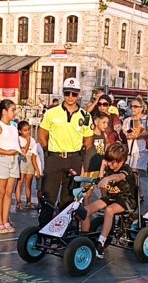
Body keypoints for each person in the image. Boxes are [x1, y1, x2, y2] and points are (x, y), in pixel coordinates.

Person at [37, 77, 94, 226]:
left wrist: (80, 153)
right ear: (63, 93)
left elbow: (88, 139)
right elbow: (42, 134)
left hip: (74, 158)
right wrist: (47, 151)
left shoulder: (85, 116)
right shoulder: (51, 113)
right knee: (48, 195)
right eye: (67, 93)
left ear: (78, 94)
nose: (70, 97)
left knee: (69, 197)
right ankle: (43, 230)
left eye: (74, 94)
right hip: (54, 158)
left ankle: (63, 228)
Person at [80, 143, 136, 259]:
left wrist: (108, 178)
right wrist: (102, 170)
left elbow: (120, 177)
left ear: (121, 161)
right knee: (85, 210)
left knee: (109, 210)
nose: (109, 164)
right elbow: (104, 194)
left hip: (126, 200)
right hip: (111, 198)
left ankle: (101, 243)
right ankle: (84, 240)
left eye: (112, 162)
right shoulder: (108, 169)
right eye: (108, 161)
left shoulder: (126, 169)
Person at [0, 99, 21, 234]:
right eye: (12, 110)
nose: (15, 113)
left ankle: (6, 220)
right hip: (1, 160)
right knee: (0, 192)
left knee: (8, 193)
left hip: (13, 160)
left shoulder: (13, 127)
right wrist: (6, 152)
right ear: (4, 111)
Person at [122, 96, 148, 205]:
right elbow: (126, 134)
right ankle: (138, 193)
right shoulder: (127, 120)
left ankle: (137, 194)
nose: (133, 109)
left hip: (141, 150)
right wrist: (134, 134)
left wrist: (139, 133)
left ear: (141, 108)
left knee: (135, 172)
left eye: (136, 106)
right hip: (129, 151)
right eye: (131, 106)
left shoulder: (147, 119)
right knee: (131, 173)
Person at [14, 121, 41, 212]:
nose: (28, 132)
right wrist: (28, 141)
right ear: (20, 131)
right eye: (25, 130)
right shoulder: (18, 139)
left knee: (28, 183)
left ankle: (29, 201)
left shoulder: (33, 140)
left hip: (30, 161)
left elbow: (35, 153)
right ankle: (18, 202)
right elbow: (23, 152)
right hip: (22, 160)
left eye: (29, 130)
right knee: (20, 182)